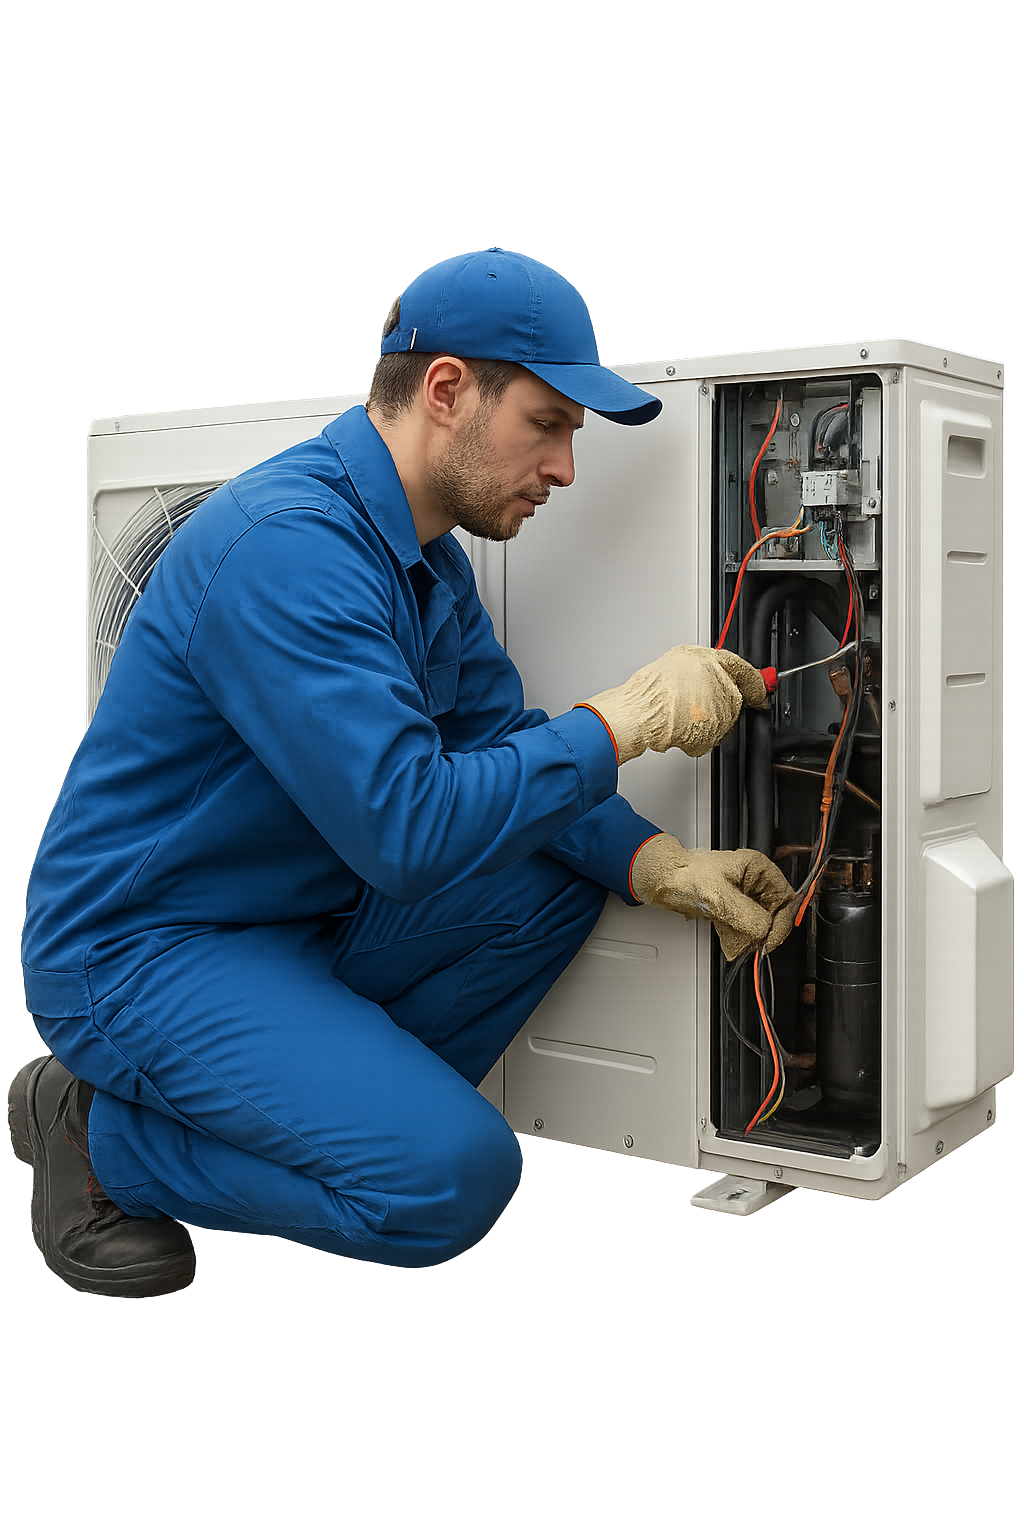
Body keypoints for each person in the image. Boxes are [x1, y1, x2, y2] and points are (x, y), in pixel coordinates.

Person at [7, 248, 794, 1300]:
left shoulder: (422, 559)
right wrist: (621, 720)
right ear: (446, 390)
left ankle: (309, 1105)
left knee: (557, 872)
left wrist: (658, 863)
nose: (566, 468)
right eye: (549, 424)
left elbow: (492, 731)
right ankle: (98, 1132)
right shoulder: (289, 547)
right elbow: (408, 834)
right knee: (448, 1183)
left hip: (289, 917)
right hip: (145, 944)